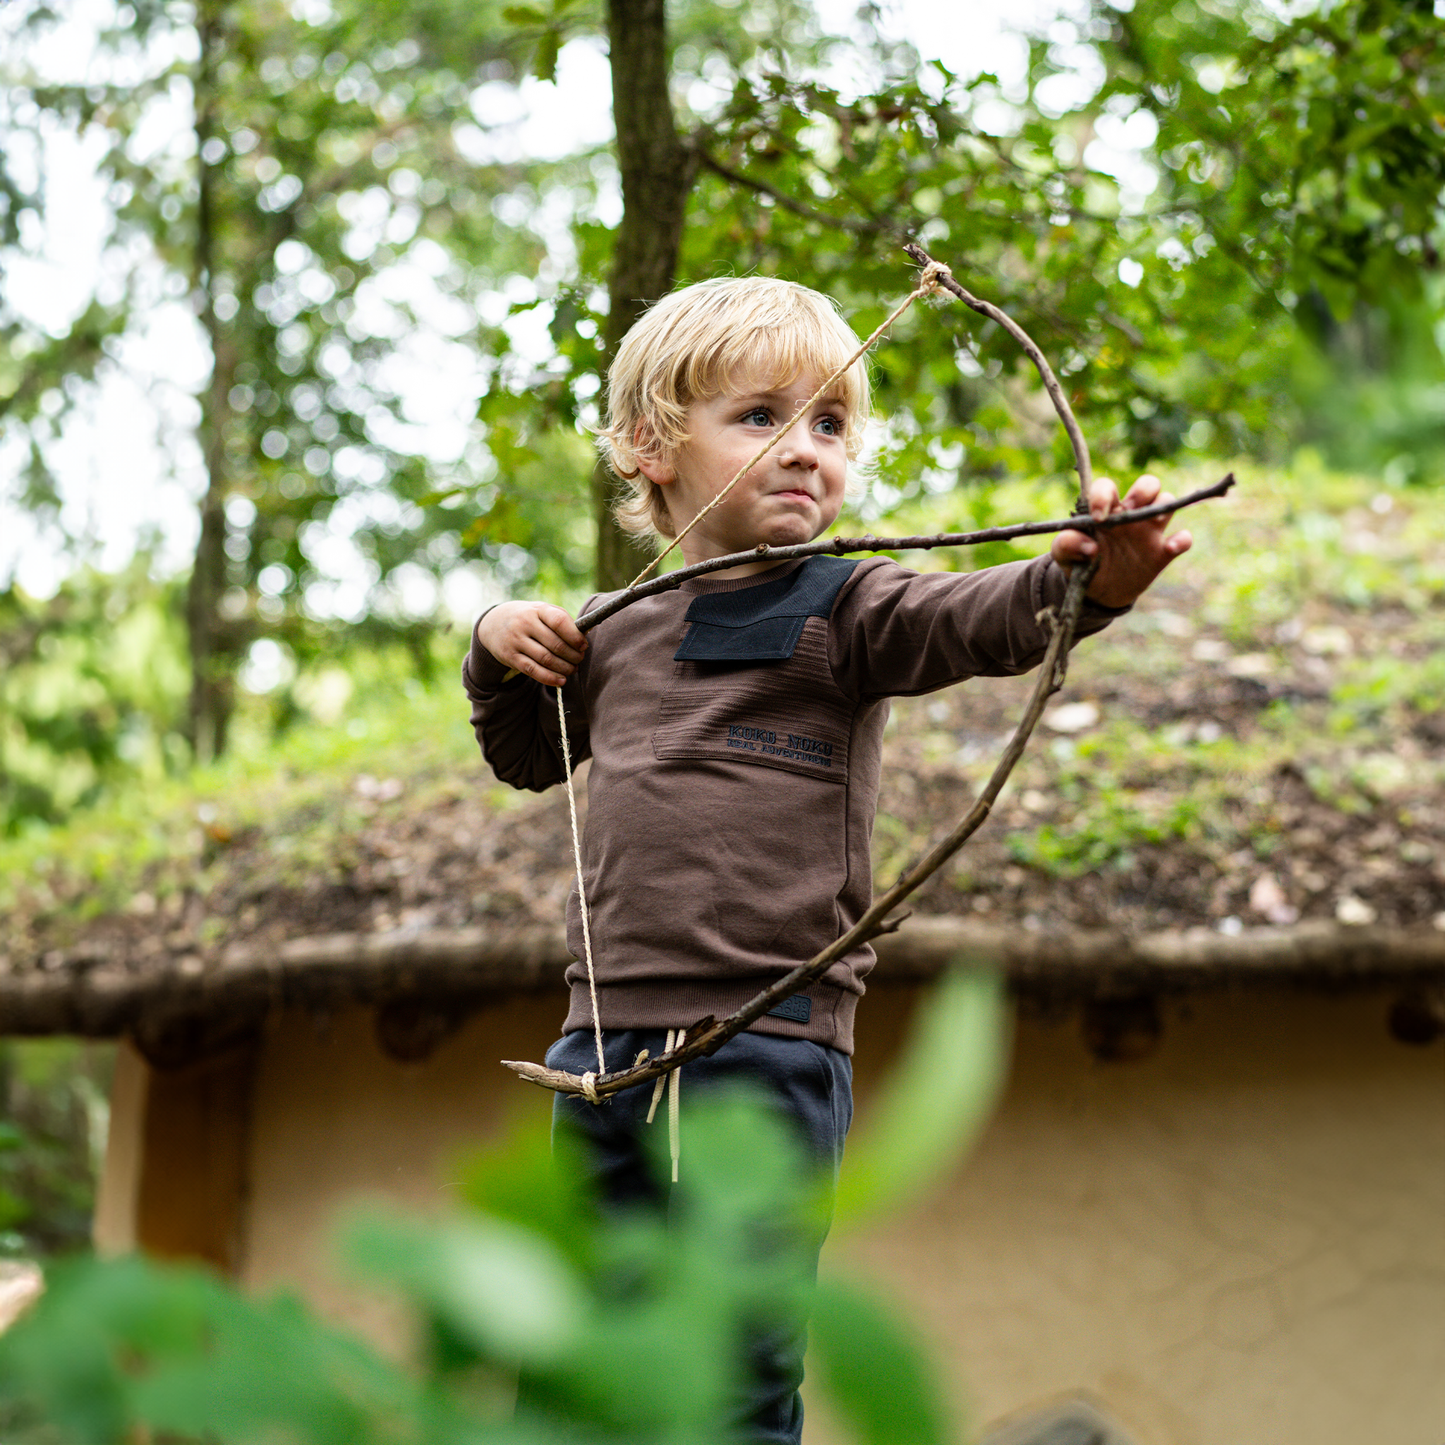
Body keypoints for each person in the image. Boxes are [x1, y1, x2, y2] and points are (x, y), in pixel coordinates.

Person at [463, 275, 1191, 1442]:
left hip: (763, 1048)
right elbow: (520, 750)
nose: (805, 450)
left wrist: (1076, 584)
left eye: (830, 424)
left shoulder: (851, 604)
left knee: (739, 1374)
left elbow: (975, 618)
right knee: (578, 1365)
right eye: (759, 418)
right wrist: (496, 639)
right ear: (651, 447)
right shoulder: (612, 626)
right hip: (595, 1050)